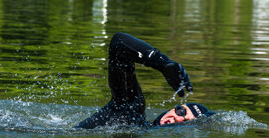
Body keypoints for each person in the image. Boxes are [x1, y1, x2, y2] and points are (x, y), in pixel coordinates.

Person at [77, 32, 214, 129]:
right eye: (181, 112)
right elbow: (118, 43)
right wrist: (162, 63)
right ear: (172, 109)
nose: (178, 119)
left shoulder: (138, 133)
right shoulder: (130, 110)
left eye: (186, 122)